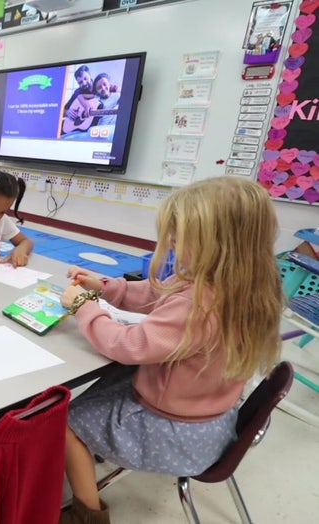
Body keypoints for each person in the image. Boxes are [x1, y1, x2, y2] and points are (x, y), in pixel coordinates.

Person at [56, 177, 283, 524]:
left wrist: (84, 305)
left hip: (176, 431)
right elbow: (157, 292)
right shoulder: (246, 284)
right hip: (213, 417)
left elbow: (126, 346)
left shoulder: (200, 305)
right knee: (106, 385)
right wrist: (105, 287)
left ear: (215, 242)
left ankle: (87, 514)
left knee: (65, 422)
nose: (173, 243)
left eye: (181, 236)